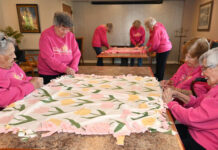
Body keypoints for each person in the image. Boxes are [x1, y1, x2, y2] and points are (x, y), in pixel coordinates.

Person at [163, 47, 218, 150]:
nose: (202, 73)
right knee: (163, 130)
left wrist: (171, 104)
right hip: (196, 131)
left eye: (205, 68)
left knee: (163, 142)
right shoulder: (215, 87)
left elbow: (192, 118)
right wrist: (178, 94)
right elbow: (199, 102)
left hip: (204, 142)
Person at [0, 32, 43, 108]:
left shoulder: (12, 64)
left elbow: (22, 78)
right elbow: (2, 99)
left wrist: (32, 79)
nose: (14, 56)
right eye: (10, 54)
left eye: (14, 52)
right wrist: (31, 85)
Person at [38, 12, 81, 84]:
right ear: (55, 25)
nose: (66, 32)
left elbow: (76, 53)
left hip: (66, 73)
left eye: (68, 29)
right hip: (48, 74)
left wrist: (73, 68)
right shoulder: (46, 36)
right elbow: (48, 58)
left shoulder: (70, 35)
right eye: (63, 29)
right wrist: (65, 69)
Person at [144, 17, 172, 81]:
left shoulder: (157, 29)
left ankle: (159, 79)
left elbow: (155, 45)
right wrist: (146, 46)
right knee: (158, 62)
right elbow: (151, 39)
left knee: (161, 64)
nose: (147, 27)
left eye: (147, 26)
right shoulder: (153, 28)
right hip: (160, 48)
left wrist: (149, 50)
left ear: (150, 25)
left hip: (164, 48)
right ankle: (157, 75)